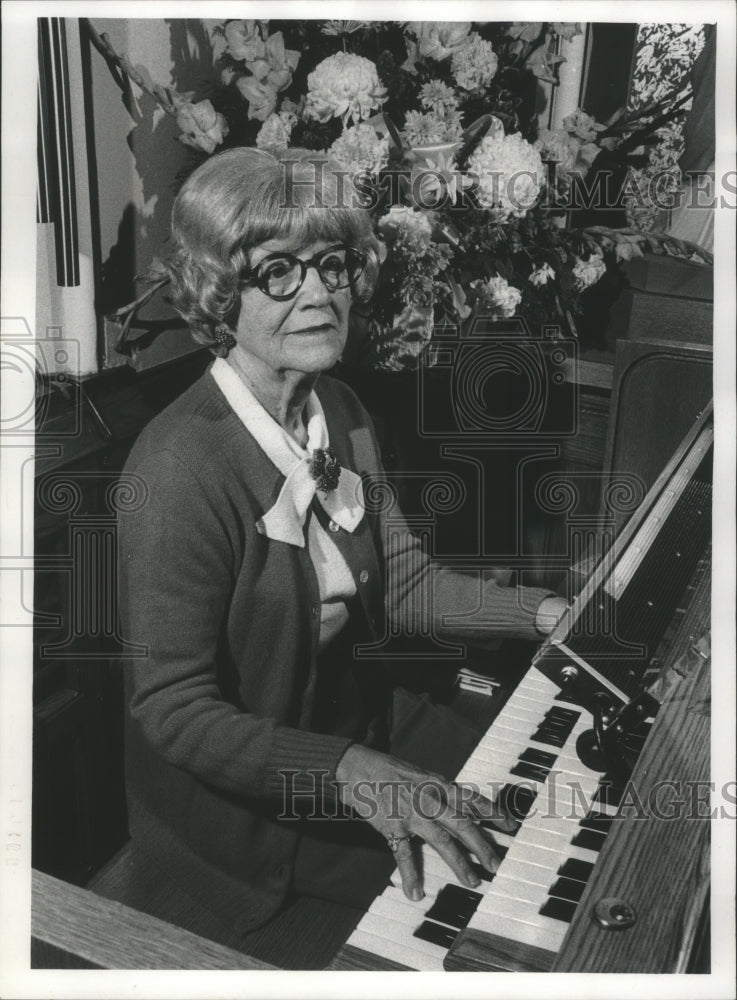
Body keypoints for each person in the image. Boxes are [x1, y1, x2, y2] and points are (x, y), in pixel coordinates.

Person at [118, 147, 566, 941]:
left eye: (332, 264)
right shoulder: (177, 468)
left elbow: (401, 580)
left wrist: (546, 613)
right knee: (487, 919)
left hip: (357, 726)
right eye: (278, 272)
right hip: (250, 819)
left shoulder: (342, 408)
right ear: (218, 291)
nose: (319, 293)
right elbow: (173, 710)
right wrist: (347, 773)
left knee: (548, 824)